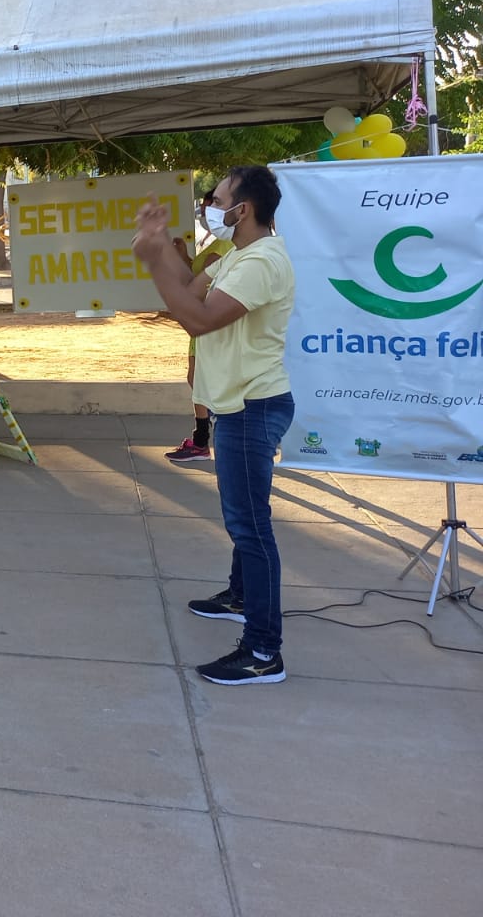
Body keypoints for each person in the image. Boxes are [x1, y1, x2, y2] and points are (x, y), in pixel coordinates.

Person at [133, 165, 295, 686]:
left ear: (241, 210)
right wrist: (159, 252)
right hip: (236, 405)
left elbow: (197, 319)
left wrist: (154, 259)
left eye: (218, 199)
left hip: (252, 407)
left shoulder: (262, 261)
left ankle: (264, 651)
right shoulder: (234, 255)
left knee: (251, 528)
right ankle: (240, 596)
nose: (210, 206)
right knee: (246, 520)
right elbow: (190, 288)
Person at [165, 189, 234, 463]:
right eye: (205, 207)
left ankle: (204, 439)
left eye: (213, 206)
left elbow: (199, 285)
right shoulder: (217, 246)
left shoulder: (227, 249)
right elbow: (197, 272)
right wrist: (183, 256)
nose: (207, 213)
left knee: (203, 381)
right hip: (206, 321)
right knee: (197, 380)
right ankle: (203, 438)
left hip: (210, 322)